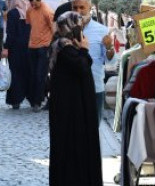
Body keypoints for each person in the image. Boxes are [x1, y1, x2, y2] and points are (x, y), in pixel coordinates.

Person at [48, 12, 101, 186]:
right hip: (72, 111)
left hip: (73, 108)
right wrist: (85, 49)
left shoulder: (66, 46)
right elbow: (82, 67)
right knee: (73, 148)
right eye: (77, 26)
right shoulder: (65, 48)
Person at [72, 0, 115, 122]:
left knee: (94, 126)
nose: (78, 11)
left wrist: (109, 47)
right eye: (75, 8)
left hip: (95, 85)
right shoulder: (65, 29)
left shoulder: (101, 30)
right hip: (73, 86)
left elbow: (110, 61)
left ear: (89, 8)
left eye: (82, 7)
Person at [26, 0, 54, 112]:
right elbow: (29, 24)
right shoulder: (30, 10)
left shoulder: (47, 11)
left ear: (39, 0)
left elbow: (53, 28)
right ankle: (34, 99)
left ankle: (38, 100)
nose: (33, 5)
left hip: (44, 45)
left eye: (35, 3)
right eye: (31, 3)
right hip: (32, 45)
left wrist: (52, 45)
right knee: (32, 74)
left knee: (40, 75)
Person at [4, 0, 32, 109]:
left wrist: (6, 47)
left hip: (15, 48)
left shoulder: (12, 13)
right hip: (29, 47)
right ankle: (31, 98)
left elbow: (11, 33)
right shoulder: (29, 12)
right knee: (28, 72)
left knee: (15, 73)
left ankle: (16, 99)